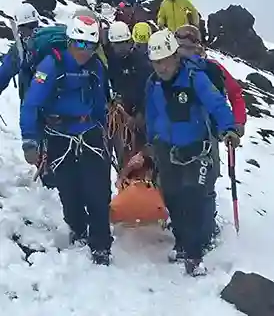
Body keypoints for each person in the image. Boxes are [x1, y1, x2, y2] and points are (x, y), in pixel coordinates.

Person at [131, 30, 240, 276]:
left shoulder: (195, 78)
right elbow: (152, 114)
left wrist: (229, 129)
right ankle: (182, 244)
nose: (161, 67)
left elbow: (216, 103)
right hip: (166, 150)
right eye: (156, 62)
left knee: (192, 198)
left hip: (196, 151)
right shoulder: (153, 83)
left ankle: (194, 255)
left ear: (175, 56)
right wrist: (151, 142)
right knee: (172, 198)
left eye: (165, 61)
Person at [20, 15, 113, 265]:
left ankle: (101, 244)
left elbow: (100, 101)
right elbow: (31, 104)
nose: (85, 51)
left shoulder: (96, 67)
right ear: (70, 41)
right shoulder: (51, 66)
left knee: (98, 190)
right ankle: (78, 228)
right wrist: (30, 141)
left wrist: (104, 129)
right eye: (80, 44)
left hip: (90, 133)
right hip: (59, 135)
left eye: (90, 46)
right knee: (69, 188)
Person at [105, 21, 153, 168]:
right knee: (122, 154)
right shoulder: (112, 60)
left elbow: (149, 92)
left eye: (123, 43)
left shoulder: (142, 63)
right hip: (121, 114)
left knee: (143, 155)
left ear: (130, 41)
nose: (120, 48)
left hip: (140, 115)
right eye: (116, 44)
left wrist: (141, 113)